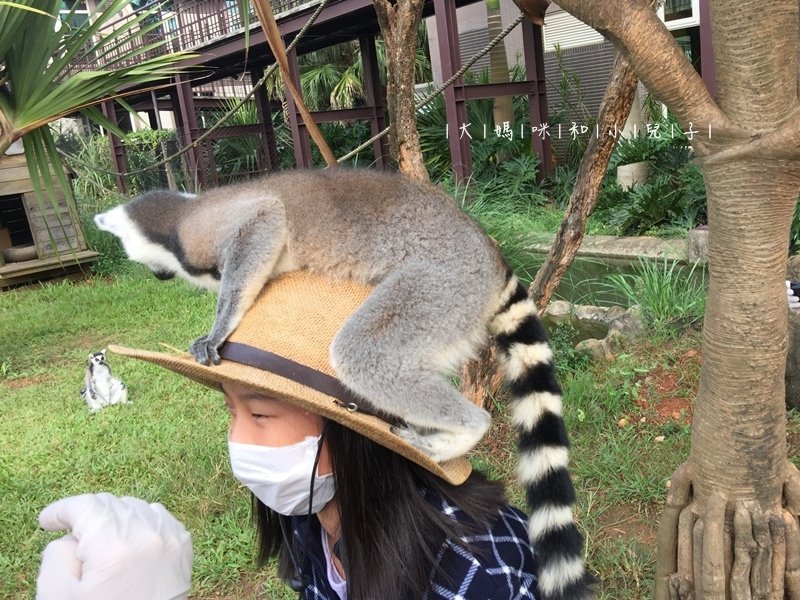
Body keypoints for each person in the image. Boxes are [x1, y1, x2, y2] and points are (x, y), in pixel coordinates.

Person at [36, 272, 539, 600]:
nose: (238, 442)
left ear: (352, 435)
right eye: (230, 411)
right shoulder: (310, 518)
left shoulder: (473, 568)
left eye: (260, 415)